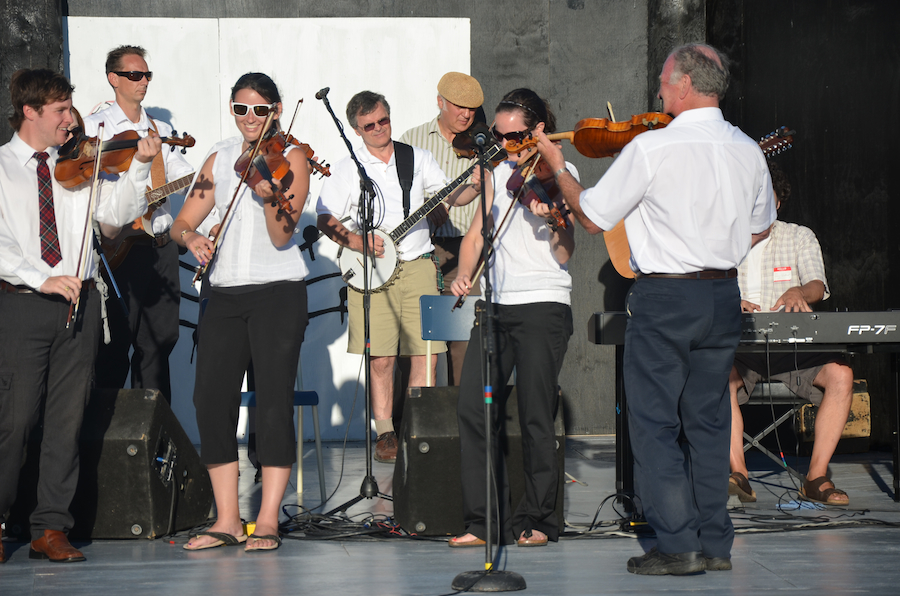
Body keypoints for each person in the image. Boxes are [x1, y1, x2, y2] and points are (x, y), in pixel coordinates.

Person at [536, 44, 776, 574]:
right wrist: (717, 245)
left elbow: (594, 217)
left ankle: (677, 544)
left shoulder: (653, 148)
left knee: (654, 424)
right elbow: (762, 226)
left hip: (667, 297)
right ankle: (714, 544)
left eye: (666, 81)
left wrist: (558, 166)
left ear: (686, 84)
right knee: (710, 423)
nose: (659, 90)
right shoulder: (746, 149)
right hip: (722, 294)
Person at [0, 69, 160, 563]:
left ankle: (51, 527)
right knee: (16, 419)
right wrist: (38, 276)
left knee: (66, 421)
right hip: (24, 304)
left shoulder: (77, 166)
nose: (72, 120)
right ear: (30, 112)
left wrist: (137, 167)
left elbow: (113, 219)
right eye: (61, 111)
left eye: (70, 109)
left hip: (82, 303)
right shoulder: (2, 167)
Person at [170, 72, 310, 552]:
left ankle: (267, 518)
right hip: (224, 294)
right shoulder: (219, 156)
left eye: (259, 109)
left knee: (272, 403)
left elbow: (281, 235)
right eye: (240, 109)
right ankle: (227, 518)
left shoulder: (292, 158)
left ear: (276, 109)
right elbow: (184, 218)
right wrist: (191, 236)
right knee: (211, 400)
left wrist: (267, 188)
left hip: (278, 293)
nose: (250, 119)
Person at [316, 91, 478, 463]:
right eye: (368, 126)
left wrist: (477, 184)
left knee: (428, 354)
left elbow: (451, 199)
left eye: (383, 121)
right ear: (356, 130)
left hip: (420, 263)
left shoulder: (416, 157)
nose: (378, 130)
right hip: (372, 273)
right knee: (382, 358)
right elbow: (324, 217)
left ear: (390, 117)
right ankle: (386, 432)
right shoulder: (348, 168)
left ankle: (419, 427)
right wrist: (356, 239)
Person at [448, 88, 575, 549]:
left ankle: (540, 518)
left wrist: (557, 221)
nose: (503, 142)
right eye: (497, 135)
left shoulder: (558, 172)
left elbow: (566, 251)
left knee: (536, 414)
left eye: (513, 135)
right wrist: (464, 274)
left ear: (537, 130)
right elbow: (477, 234)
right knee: (474, 408)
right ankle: (484, 520)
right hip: (496, 307)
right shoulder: (493, 171)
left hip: (543, 304)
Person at [728, 161, 853, 506]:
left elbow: (817, 284)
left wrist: (800, 292)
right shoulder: (723, 239)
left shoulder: (799, 236)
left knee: (842, 374)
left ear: (778, 202)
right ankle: (739, 474)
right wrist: (729, 301)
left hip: (792, 347)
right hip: (738, 348)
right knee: (716, 374)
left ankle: (816, 477)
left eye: (763, 198)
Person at [84, 45, 195, 404]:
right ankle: (105, 440)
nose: (143, 81)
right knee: (114, 343)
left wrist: (199, 176)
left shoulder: (159, 129)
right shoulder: (95, 128)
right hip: (119, 248)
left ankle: (154, 440)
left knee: (160, 345)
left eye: (146, 75)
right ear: (113, 78)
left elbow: (182, 174)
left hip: (160, 248)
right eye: (134, 75)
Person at [399, 71, 484, 385]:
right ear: (440, 102)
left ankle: (464, 423)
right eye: (459, 106)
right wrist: (425, 209)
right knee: (417, 341)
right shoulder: (411, 140)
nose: (466, 114)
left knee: (464, 339)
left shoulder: (482, 143)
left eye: (472, 108)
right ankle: (411, 423)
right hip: (422, 250)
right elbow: (399, 194)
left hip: (467, 251)